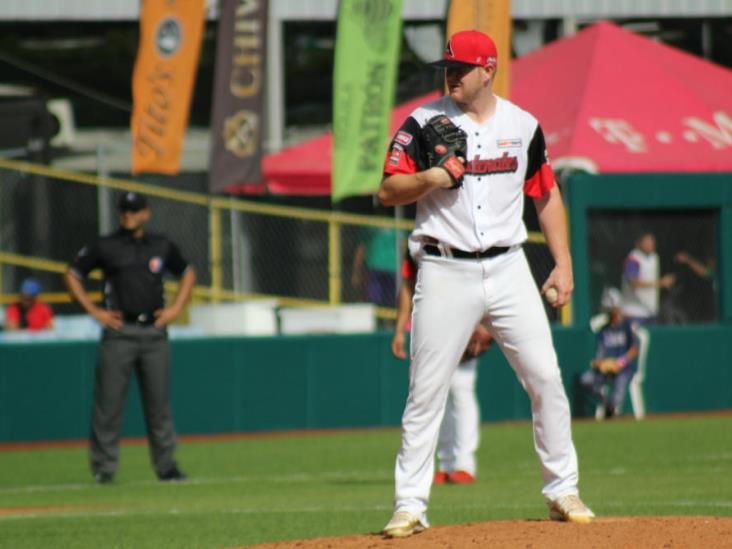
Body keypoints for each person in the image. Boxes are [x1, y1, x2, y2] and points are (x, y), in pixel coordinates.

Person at [378, 30, 593, 537]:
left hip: (508, 265)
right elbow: (387, 189)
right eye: (447, 67)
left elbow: (546, 196)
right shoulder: (423, 123)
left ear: (489, 69)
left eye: (461, 67)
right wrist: (429, 178)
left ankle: (562, 488)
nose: (451, 74)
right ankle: (409, 504)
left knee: (545, 377)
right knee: (426, 392)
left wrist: (562, 264)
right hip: (445, 265)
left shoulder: (522, 126)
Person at [63, 192, 196, 484]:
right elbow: (73, 274)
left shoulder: (161, 245)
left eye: (134, 210)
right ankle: (104, 468)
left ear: (146, 214)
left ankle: (166, 466)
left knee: (158, 404)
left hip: (153, 331)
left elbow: (187, 273)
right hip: (119, 332)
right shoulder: (106, 245)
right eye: (124, 209)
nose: (128, 215)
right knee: (108, 404)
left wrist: (175, 308)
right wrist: (95, 312)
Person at [392, 251, 492, 485]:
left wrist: (485, 323)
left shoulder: (464, 230)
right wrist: (399, 329)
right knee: (437, 393)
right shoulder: (416, 243)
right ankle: (447, 464)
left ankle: (464, 464)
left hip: (467, 320)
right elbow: (408, 286)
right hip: (432, 324)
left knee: (461, 388)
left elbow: (485, 278)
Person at [581, 288, 639, 419]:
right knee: (586, 380)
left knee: (617, 397)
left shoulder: (626, 326)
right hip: (607, 370)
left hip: (624, 369)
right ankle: (606, 403)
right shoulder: (604, 330)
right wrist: (599, 363)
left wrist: (620, 362)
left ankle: (611, 408)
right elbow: (599, 355)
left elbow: (634, 348)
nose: (614, 313)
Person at [621, 232, 675, 326]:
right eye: (647, 242)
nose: (651, 244)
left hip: (650, 312)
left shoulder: (654, 258)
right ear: (638, 244)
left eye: (652, 241)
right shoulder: (633, 259)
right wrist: (661, 283)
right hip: (634, 313)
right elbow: (634, 283)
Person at [351, 224, 403, 308]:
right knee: (372, 300)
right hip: (375, 268)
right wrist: (356, 271)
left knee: (391, 302)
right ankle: (375, 320)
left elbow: (403, 247)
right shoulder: (370, 224)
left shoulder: (399, 223)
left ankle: (387, 321)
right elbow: (361, 249)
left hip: (392, 269)